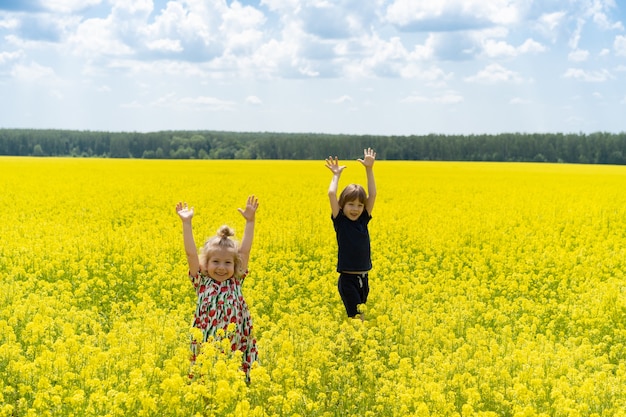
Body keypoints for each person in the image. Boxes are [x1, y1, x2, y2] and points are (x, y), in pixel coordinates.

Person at [175, 196, 259, 379]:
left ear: (235, 265)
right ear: (205, 262)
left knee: (233, 373)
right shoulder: (202, 282)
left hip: (234, 340)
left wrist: (250, 221)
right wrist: (186, 223)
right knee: (205, 376)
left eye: (228, 262)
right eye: (215, 262)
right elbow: (190, 254)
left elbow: (244, 251)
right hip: (207, 339)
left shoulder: (235, 280)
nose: (221, 267)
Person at [325, 148, 377, 319]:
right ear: (342, 205)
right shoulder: (341, 221)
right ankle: (354, 345)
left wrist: (369, 169)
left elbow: (373, 194)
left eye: (359, 205)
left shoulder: (363, 220)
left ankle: (352, 344)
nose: (356, 209)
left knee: (359, 319)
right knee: (357, 319)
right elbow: (332, 193)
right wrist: (336, 175)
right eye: (351, 205)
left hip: (364, 278)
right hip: (348, 281)